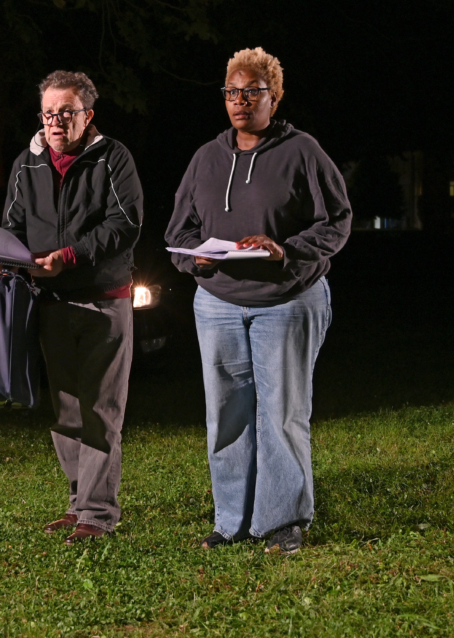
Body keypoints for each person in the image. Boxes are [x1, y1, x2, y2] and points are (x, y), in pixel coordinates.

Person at [165, 48, 352, 555]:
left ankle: (283, 521)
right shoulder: (207, 157)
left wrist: (285, 250)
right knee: (226, 412)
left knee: (282, 411)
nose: (240, 101)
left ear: (275, 95)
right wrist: (195, 262)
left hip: (286, 299)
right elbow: (179, 229)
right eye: (232, 92)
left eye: (253, 91)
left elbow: (336, 221)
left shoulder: (302, 151)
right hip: (219, 303)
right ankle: (232, 520)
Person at [0, 70, 143, 544]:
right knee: (66, 412)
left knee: (101, 408)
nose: (56, 121)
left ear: (87, 116)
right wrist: (6, 258)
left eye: (66, 112)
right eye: (48, 113)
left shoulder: (113, 158)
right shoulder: (28, 163)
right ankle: (79, 503)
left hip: (104, 302)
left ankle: (98, 514)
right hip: (52, 302)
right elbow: (13, 224)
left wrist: (71, 256)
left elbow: (125, 223)